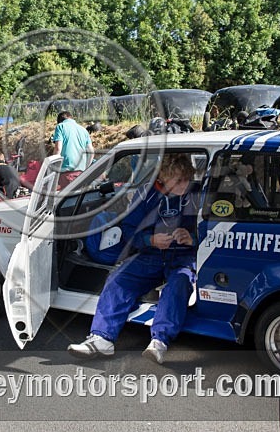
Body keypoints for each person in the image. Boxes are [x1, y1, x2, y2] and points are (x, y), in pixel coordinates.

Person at [68, 153, 199, 364]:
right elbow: (129, 231)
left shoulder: (197, 194)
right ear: (163, 178)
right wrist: (151, 240)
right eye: (178, 180)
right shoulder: (145, 194)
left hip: (184, 256)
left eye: (187, 179)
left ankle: (159, 341)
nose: (184, 185)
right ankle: (101, 338)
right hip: (151, 255)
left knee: (179, 283)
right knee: (118, 279)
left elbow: (214, 231)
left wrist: (192, 238)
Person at [51, 111, 94, 189]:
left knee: (68, 199)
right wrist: (86, 168)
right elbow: (91, 152)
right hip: (81, 173)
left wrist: (54, 168)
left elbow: (58, 149)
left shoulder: (60, 126)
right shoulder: (83, 130)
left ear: (60, 121)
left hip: (67, 173)